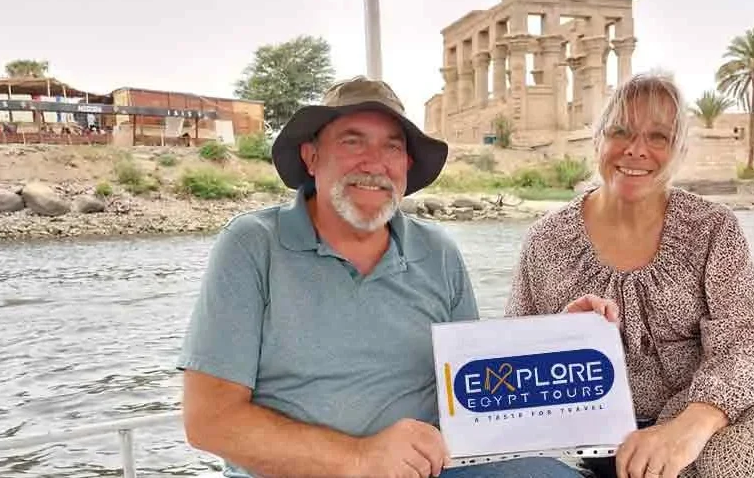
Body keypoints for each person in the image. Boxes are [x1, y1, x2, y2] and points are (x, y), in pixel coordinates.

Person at [177, 76, 583, 478]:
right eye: (352, 141)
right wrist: (359, 458)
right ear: (311, 157)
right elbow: (211, 421)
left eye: (392, 145)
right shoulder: (252, 245)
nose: (374, 163)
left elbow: (473, 390)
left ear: (406, 164)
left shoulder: (439, 252)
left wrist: (562, 343)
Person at [505, 71, 754, 478]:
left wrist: (688, 428)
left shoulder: (711, 228)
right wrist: (561, 340)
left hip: (709, 419)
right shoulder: (546, 241)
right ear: (597, 140)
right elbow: (510, 365)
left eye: (658, 137)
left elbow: (749, 342)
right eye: (621, 131)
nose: (636, 150)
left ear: (679, 151)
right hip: (588, 439)